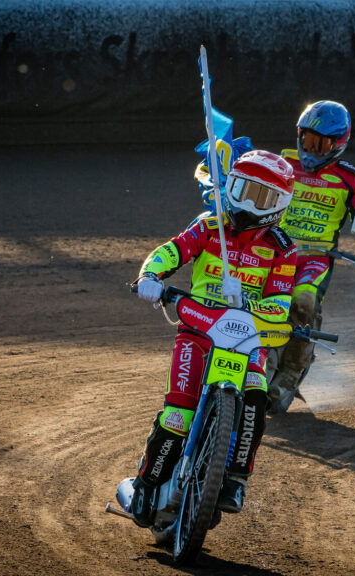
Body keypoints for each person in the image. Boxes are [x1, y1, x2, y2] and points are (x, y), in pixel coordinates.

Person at [129, 150, 297, 525]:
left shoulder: (284, 249)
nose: (248, 201)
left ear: (280, 204)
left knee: (255, 393)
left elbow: (280, 305)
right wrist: (150, 277)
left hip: (247, 340)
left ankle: (235, 479)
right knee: (177, 414)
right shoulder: (210, 226)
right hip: (197, 330)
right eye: (242, 188)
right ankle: (146, 483)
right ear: (229, 185)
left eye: (262, 196)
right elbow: (171, 251)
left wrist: (261, 317)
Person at [272, 100, 355, 399]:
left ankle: (290, 375)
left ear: (338, 144)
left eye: (320, 144)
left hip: (315, 260)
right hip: (272, 250)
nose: (311, 150)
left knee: (303, 300)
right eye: (307, 141)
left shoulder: (353, 178)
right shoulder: (282, 164)